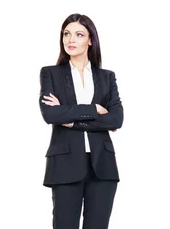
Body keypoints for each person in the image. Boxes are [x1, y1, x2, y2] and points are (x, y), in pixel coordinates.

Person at [39, 13, 123, 229]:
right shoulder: (51, 74)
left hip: (102, 165)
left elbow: (116, 119)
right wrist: (94, 109)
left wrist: (73, 120)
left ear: (90, 40)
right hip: (65, 164)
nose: (70, 40)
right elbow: (51, 115)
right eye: (66, 34)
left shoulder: (107, 77)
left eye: (78, 34)